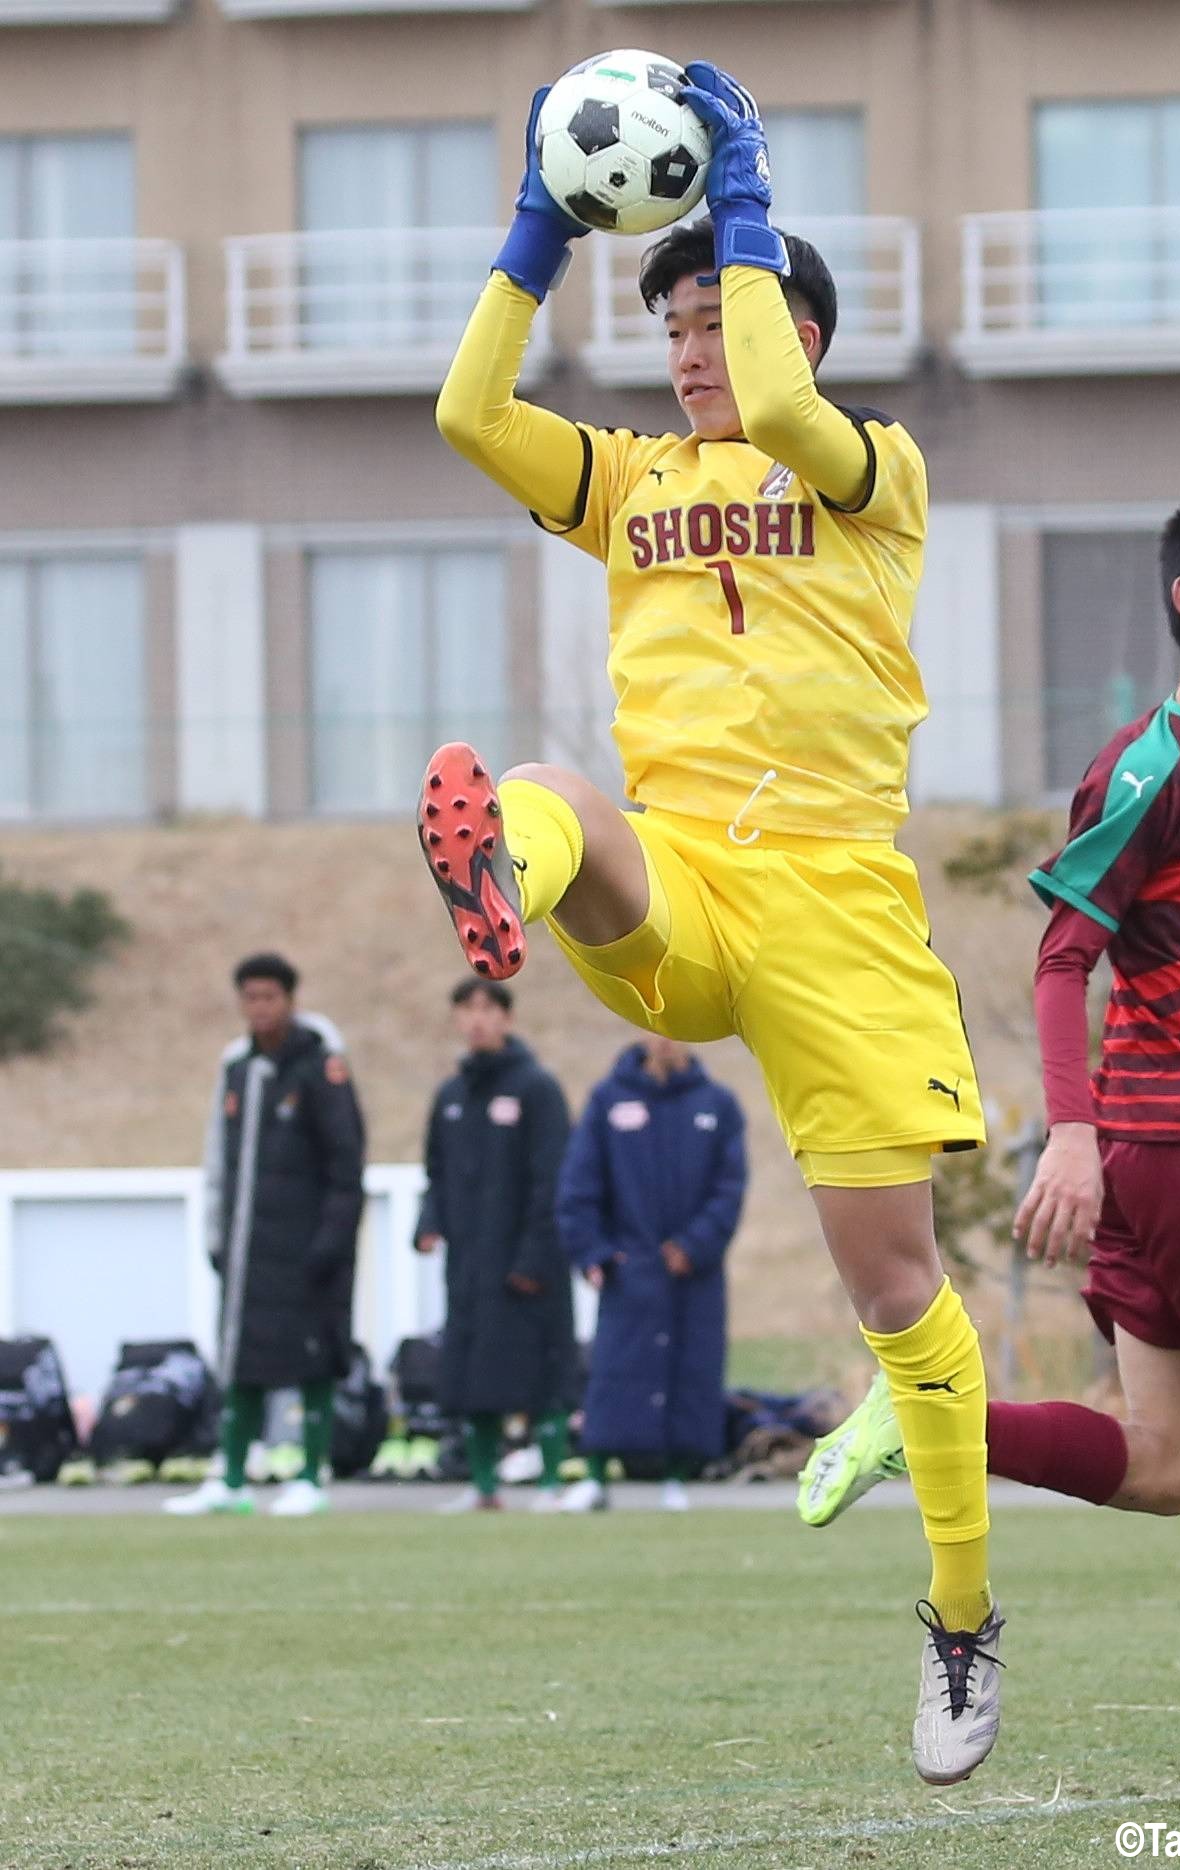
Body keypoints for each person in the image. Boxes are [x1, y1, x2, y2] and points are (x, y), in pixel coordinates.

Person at [419, 60, 999, 1784]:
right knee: (547, 789)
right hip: (686, 880)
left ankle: (960, 1625)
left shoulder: (867, 470)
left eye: (717, 320)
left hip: (838, 903)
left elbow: (772, 388)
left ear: (796, 336)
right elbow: (467, 415)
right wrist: (532, 237)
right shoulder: (622, 483)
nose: (689, 353)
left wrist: (743, 188)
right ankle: (495, 882)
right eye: (667, 324)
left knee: (897, 1293)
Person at [797, 492, 1180, 1806]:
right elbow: (1064, 953)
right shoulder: (1150, 765)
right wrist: (1067, 1133)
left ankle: (919, 1419)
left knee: (1167, 1463)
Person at [166, 952, 364, 1519]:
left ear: (290, 1001)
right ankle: (231, 1477)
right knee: (242, 1360)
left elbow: (346, 1163)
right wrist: (217, 1234)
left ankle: (310, 1474)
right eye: (250, 997)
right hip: (250, 1245)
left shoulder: (321, 1069)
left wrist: (332, 1239)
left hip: (307, 1248)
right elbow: (218, 1159)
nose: (259, 1008)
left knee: (313, 1360)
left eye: (269, 997)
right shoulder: (238, 1069)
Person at [555, 1033, 746, 1513]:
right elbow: (579, 1184)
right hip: (629, 1269)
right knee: (616, 1371)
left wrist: (694, 1245)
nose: (665, 1039)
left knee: (689, 1369)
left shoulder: (717, 1105)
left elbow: (730, 1189)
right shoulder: (608, 1099)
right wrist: (594, 1252)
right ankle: (597, 1475)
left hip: (692, 1274)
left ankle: (677, 1476)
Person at [415, 978, 574, 1513]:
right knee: (473, 1374)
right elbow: (435, 1171)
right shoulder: (451, 1096)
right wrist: (429, 1222)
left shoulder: (537, 1089)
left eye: (487, 1008)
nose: (477, 1020)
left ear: (507, 1018)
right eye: (466, 1010)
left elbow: (553, 1179)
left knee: (539, 1374)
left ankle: (551, 1483)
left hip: (526, 1265)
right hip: (469, 1262)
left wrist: (534, 1256)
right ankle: (484, 1487)